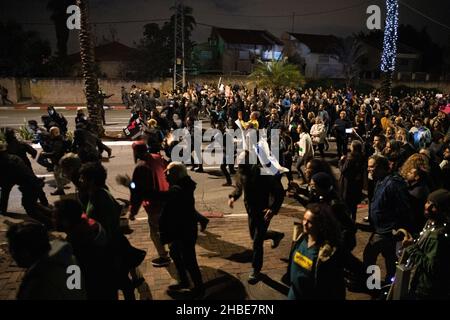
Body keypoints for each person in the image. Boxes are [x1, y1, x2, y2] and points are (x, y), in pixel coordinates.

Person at [228, 151, 285, 284]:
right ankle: (275, 235)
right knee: (254, 236)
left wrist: (272, 208)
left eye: (242, 164)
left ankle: (256, 270)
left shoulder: (262, 173)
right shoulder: (241, 173)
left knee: (257, 242)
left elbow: (278, 191)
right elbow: (239, 187)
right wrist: (233, 197)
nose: (240, 167)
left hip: (264, 211)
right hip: (251, 211)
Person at [149, 162, 205, 298]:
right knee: (175, 254)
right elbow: (189, 208)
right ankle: (185, 282)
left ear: (175, 175)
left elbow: (159, 196)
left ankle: (199, 289)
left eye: (167, 172)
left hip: (184, 231)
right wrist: (201, 218)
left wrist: (135, 188)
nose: (165, 175)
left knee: (189, 261)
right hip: (181, 229)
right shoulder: (183, 187)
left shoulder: (177, 190)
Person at [53, 199, 117, 300]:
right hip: (107, 289)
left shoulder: (74, 248)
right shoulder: (90, 229)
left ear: (66, 222)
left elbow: (74, 287)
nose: (53, 221)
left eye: (55, 217)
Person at [363, 155, 412, 285]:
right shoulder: (380, 180)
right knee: (389, 258)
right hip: (381, 228)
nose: (369, 169)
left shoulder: (393, 184)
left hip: (386, 230)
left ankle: (372, 284)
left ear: (381, 168)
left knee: (369, 254)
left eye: (371, 167)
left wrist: (395, 228)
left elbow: (404, 208)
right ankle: (389, 284)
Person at [7, 221, 86, 300]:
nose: (11, 253)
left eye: (11, 249)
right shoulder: (69, 258)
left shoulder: (39, 284)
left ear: (25, 253)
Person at [286, 203, 345, 300]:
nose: (304, 223)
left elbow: (335, 284)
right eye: (304, 219)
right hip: (294, 293)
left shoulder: (326, 253)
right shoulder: (300, 239)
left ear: (320, 225)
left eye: (309, 222)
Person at [400, 189, 450, 299]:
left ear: (443, 210)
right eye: (428, 202)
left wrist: (410, 247)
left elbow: (432, 267)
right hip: (419, 282)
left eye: (434, 205)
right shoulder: (431, 222)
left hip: (426, 289)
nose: (427, 207)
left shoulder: (439, 235)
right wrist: (413, 242)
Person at [339, 140, 365, 221]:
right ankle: (353, 220)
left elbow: (343, 169)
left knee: (346, 203)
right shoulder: (362, 157)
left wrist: (341, 161)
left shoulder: (350, 158)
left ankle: (347, 222)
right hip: (357, 183)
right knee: (354, 204)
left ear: (353, 148)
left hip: (347, 183)